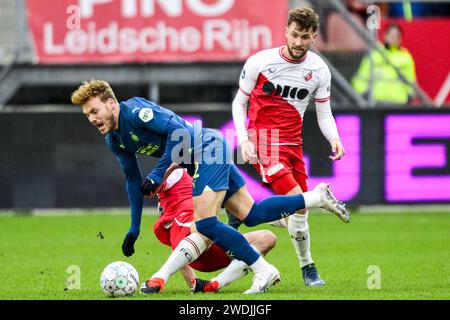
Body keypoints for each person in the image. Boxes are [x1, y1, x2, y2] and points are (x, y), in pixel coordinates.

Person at [71, 80, 349, 294]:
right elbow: (132, 179)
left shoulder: (137, 112)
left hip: (205, 147)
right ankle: (316, 197)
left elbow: (178, 133)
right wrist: (134, 226)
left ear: (111, 103)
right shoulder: (114, 140)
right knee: (249, 214)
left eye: (94, 111)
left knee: (204, 223)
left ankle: (262, 269)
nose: (92, 119)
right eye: (87, 115)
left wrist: (157, 173)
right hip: (198, 158)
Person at [231, 7, 348, 287]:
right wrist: (244, 139)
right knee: (298, 196)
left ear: (314, 37)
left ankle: (245, 212)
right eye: (294, 35)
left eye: (305, 37)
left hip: (294, 145)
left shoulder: (319, 69)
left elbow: (323, 113)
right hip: (265, 140)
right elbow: (240, 102)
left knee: (298, 211)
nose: (298, 42)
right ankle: (310, 261)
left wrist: (335, 137)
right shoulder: (261, 61)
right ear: (286, 31)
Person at [148, 167, 278, 293]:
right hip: (194, 234)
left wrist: (194, 283)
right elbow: (154, 183)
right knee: (206, 225)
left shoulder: (208, 168)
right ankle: (159, 278)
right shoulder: (176, 171)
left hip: (212, 245)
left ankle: (215, 284)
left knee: (267, 238)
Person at [352, 23, 417, 104]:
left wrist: (410, 96)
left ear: (400, 39)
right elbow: (361, 76)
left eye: (396, 36)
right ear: (384, 36)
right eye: (390, 35)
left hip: (399, 102)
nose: (393, 38)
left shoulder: (405, 57)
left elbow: (410, 80)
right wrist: (364, 93)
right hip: (376, 102)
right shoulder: (375, 53)